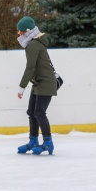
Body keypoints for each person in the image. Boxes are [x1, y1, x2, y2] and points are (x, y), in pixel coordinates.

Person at [15, 16, 57, 155]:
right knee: (31, 112)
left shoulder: (33, 44)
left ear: (27, 31)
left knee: (39, 112)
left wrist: (21, 87)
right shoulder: (32, 43)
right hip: (39, 82)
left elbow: (30, 68)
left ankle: (48, 142)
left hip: (45, 82)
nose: (19, 34)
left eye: (20, 31)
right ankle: (33, 140)